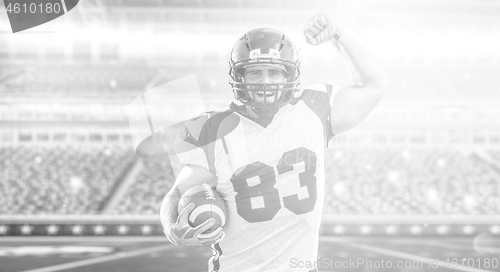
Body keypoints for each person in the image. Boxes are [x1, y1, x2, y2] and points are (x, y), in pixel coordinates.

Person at [160, 13, 390, 272]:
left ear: (290, 75)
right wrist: (171, 227)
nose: (266, 81)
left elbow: (374, 84)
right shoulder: (213, 130)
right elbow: (177, 193)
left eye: (274, 72)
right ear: (239, 76)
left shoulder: (315, 109)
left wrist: (338, 35)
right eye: (255, 72)